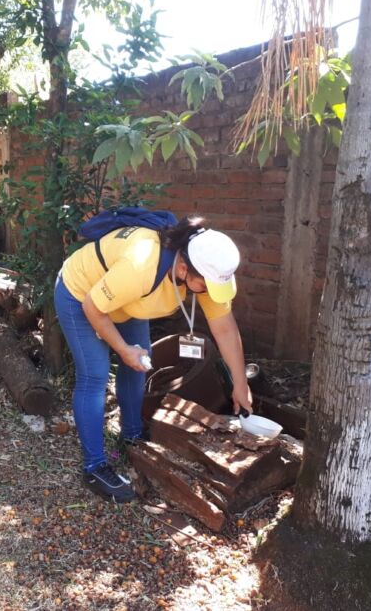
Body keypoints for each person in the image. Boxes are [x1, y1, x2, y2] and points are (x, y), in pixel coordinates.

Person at [55, 215, 253, 503]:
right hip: (81, 294)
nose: (211, 294)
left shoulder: (203, 274)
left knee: (138, 366)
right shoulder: (142, 266)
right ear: (184, 267)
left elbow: (225, 328)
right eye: (207, 286)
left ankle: (132, 434)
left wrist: (240, 382)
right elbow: (93, 308)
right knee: (94, 376)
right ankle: (95, 466)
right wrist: (123, 349)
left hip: (126, 302)